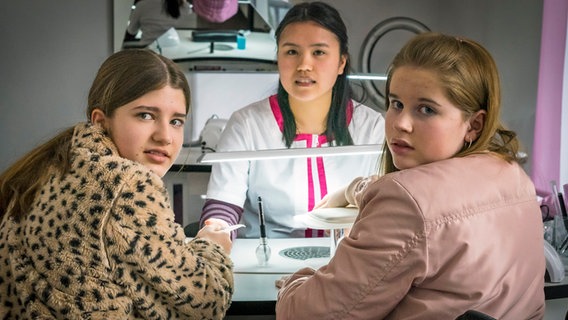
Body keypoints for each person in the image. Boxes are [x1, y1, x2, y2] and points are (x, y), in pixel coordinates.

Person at [275, 32, 545, 319]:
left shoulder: (405, 201)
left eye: (426, 110)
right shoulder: (511, 174)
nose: (401, 124)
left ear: (474, 124)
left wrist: (295, 283)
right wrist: (351, 190)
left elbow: (312, 315)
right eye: (396, 104)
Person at [0, 49, 234, 319]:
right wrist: (213, 247)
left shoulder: (53, 166)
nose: (165, 136)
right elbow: (205, 303)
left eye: (176, 121)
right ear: (101, 121)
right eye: (145, 115)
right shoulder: (128, 184)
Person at [199, 1, 385, 239]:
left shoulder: (372, 127)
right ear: (278, 58)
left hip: (348, 259)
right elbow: (224, 207)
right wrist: (216, 236)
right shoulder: (246, 124)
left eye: (318, 52)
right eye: (292, 52)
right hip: (266, 261)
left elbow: (385, 208)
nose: (304, 65)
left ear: (341, 62)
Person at [125, 0, 191, 47]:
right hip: (173, 47)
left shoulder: (142, 4)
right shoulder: (184, 6)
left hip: (148, 48)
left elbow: (131, 31)